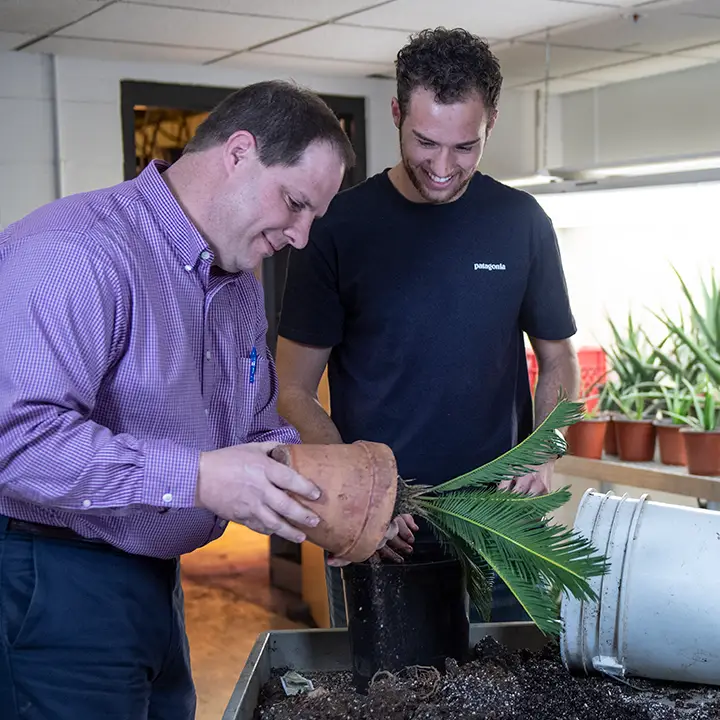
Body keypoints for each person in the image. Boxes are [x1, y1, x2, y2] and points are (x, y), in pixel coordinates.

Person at [0, 80, 363, 720]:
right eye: (296, 203)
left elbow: (253, 431)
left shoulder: (241, 290)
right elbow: (16, 441)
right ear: (239, 152)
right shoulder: (78, 250)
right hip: (52, 576)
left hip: (154, 582)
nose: (303, 236)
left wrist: (343, 498)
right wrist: (196, 477)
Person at [275, 28, 581, 627]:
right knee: (387, 700)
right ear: (395, 114)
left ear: (492, 120)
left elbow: (560, 359)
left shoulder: (521, 222)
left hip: (500, 524)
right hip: (389, 531)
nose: (444, 168)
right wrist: (360, 497)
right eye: (425, 142)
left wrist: (542, 450)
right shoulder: (338, 226)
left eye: (466, 147)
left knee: (512, 695)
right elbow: (291, 390)